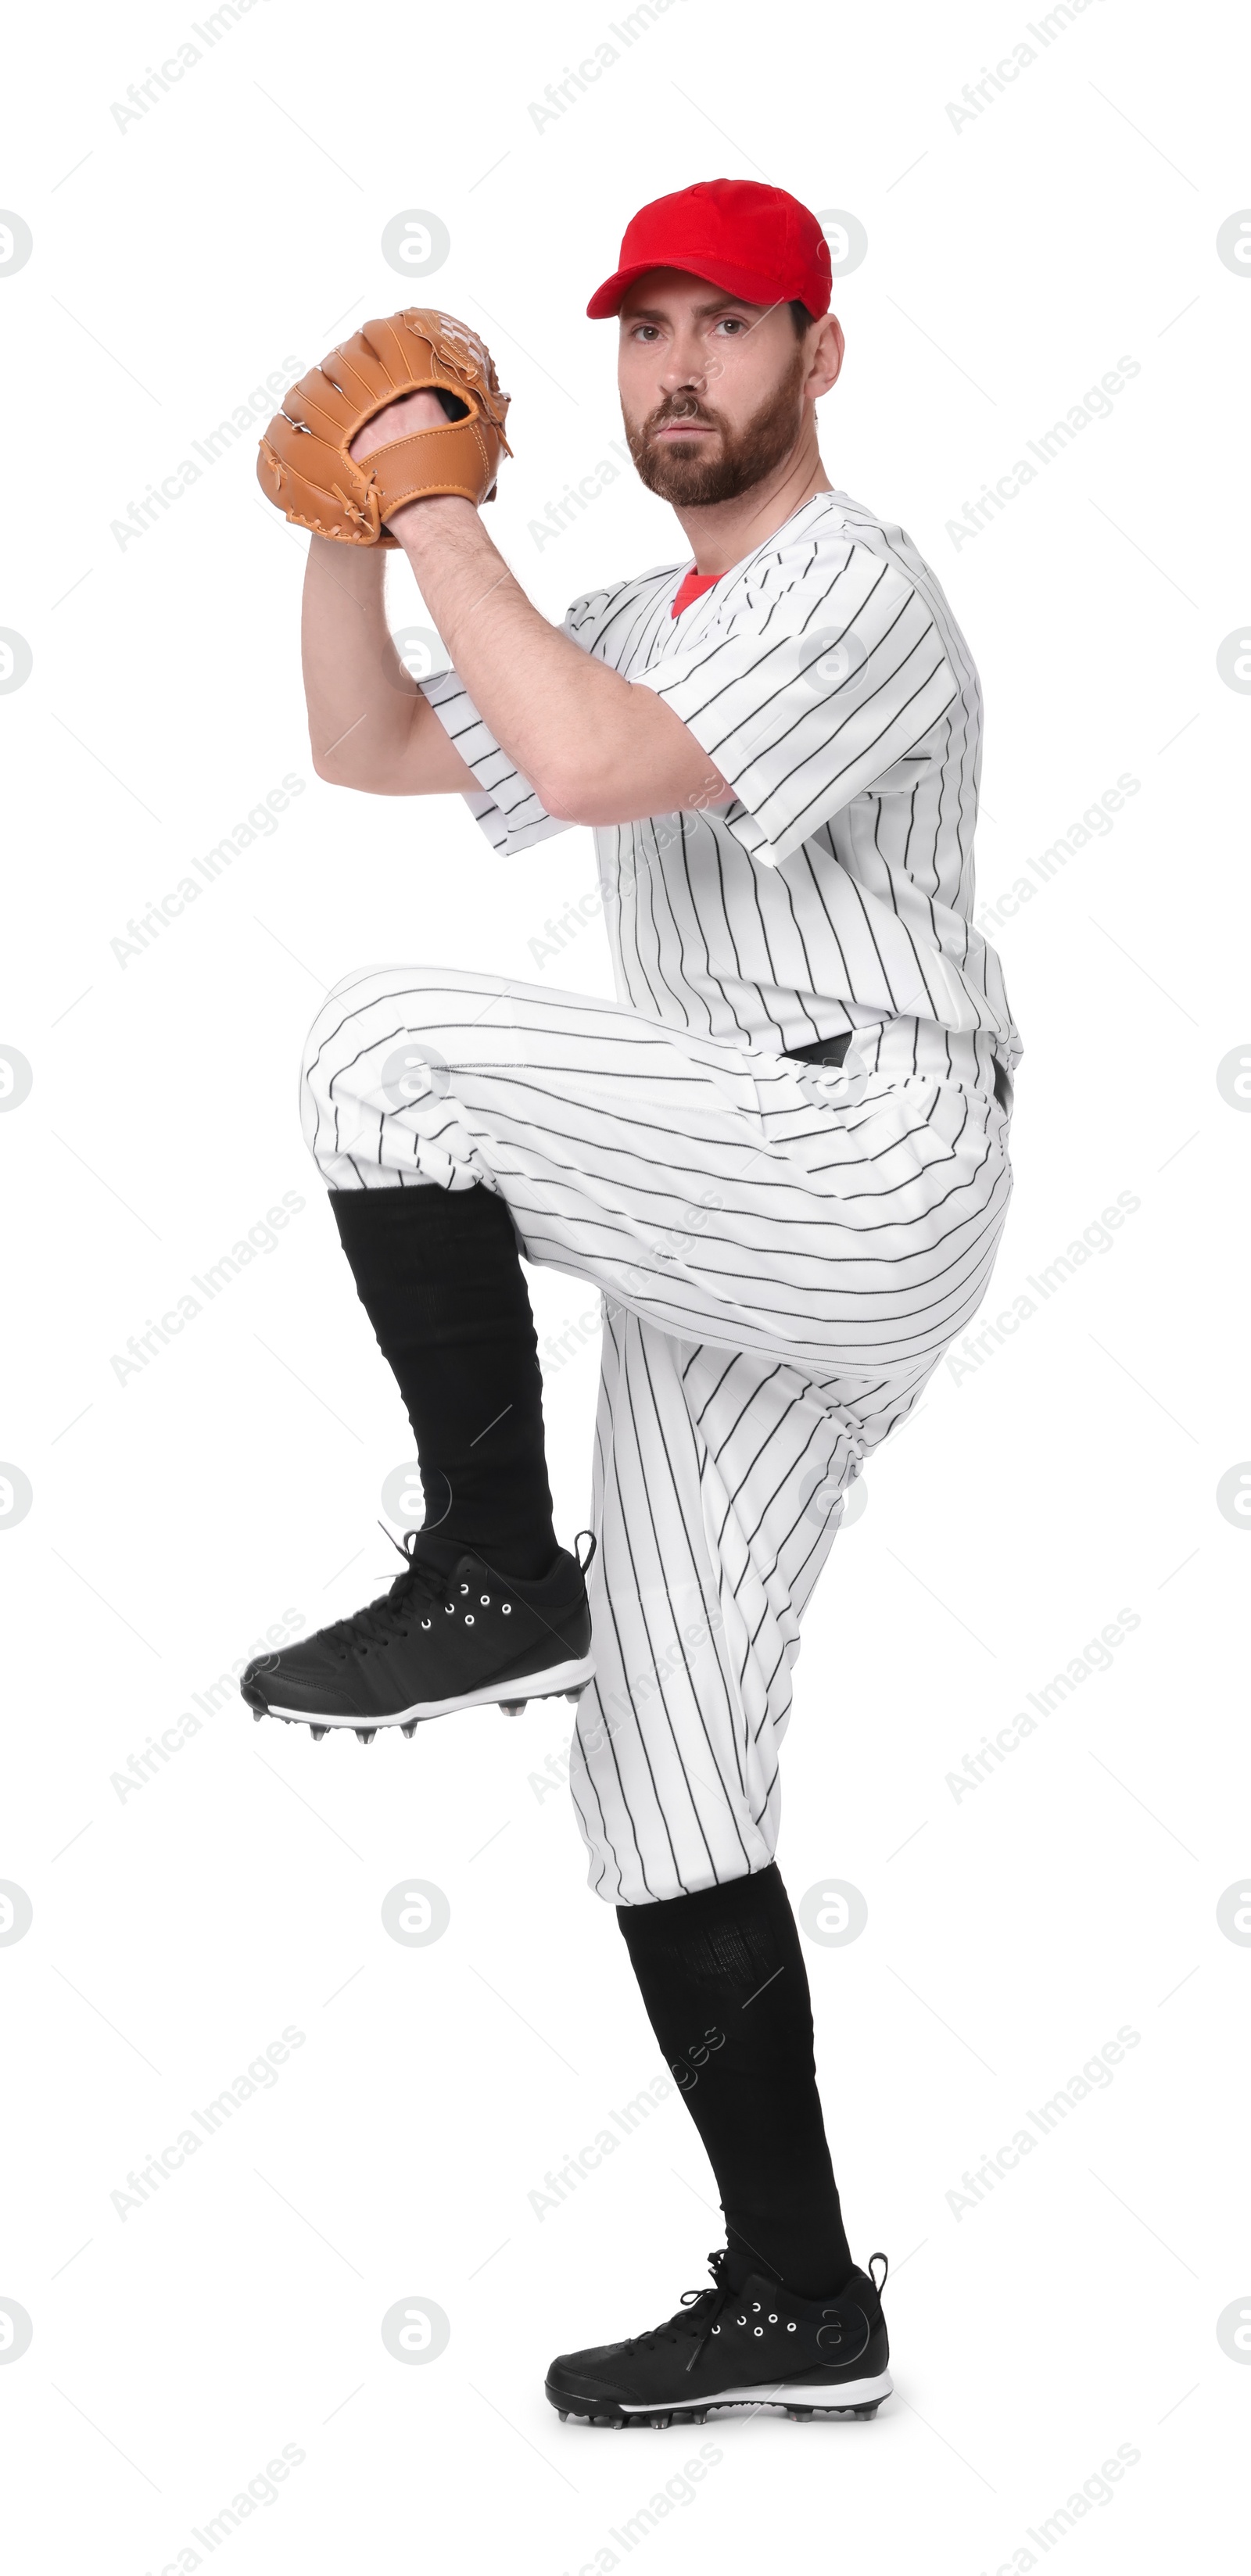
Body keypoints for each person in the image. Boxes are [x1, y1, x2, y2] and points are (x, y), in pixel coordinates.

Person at [243, 176, 1020, 2425]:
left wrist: (435, 504)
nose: (678, 366)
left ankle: (491, 1562)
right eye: (645, 329)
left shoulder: (856, 585)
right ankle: (801, 2298)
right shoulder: (616, 611)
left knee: (391, 1053)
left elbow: (581, 766)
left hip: (866, 1148)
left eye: (730, 327)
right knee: (663, 1770)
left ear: (818, 359)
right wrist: (348, 521)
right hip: (725, 1193)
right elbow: (375, 747)